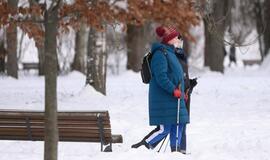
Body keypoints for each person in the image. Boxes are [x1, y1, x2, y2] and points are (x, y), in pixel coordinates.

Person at [131, 26, 190, 152]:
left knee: (178, 124)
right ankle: (141, 148)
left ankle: (176, 151)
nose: (178, 38)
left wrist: (183, 91)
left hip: (175, 98)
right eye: (176, 36)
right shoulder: (160, 54)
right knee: (165, 128)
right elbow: (161, 77)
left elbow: (176, 75)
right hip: (164, 98)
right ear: (169, 38)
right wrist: (174, 90)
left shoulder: (171, 52)